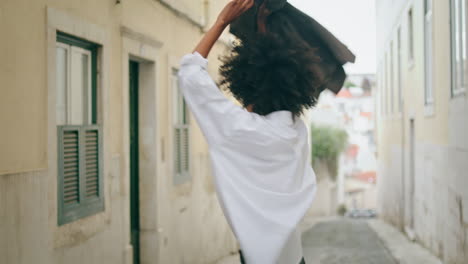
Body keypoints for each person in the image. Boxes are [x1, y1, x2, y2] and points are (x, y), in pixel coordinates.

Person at [178, 0, 320, 263]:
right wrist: (262, 27)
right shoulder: (296, 134)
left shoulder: (240, 130)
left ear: (249, 90)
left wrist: (221, 21)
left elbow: (189, 73)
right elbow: (278, 70)